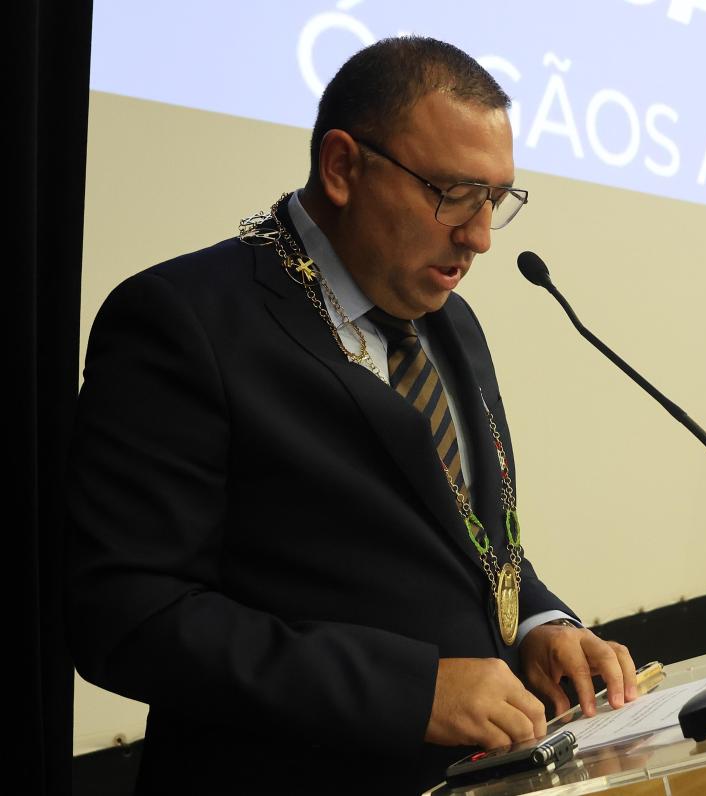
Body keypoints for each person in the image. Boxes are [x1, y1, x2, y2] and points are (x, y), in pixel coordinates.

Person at [66, 36, 637, 794]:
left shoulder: (450, 320)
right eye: (453, 193)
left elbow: (465, 535)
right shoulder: (184, 320)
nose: (479, 237)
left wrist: (540, 622)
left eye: (496, 199)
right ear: (341, 167)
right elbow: (126, 615)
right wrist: (410, 690)